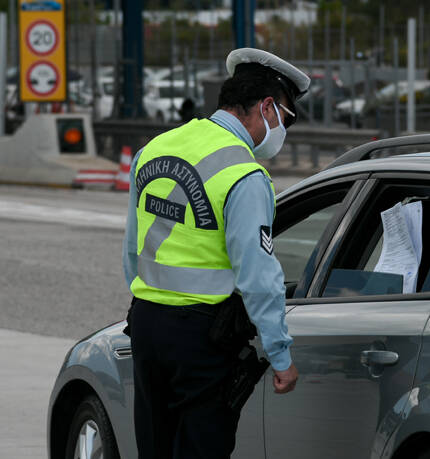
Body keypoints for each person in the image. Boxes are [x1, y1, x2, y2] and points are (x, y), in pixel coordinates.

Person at [122, 48, 309, 459]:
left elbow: (131, 249)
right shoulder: (244, 174)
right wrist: (280, 355)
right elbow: (258, 275)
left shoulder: (155, 147)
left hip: (147, 325)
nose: (285, 131)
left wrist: (145, 305)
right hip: (200, 340)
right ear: (266, 107)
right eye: (286, 118)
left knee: (155, 447)